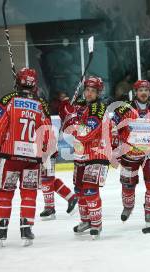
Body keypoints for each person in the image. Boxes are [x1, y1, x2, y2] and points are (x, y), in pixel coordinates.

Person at [0, 68, 52, 246]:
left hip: (10, 156)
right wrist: (43, 151)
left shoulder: (10, 101)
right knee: (29, 193)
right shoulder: (40, 105)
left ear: (18, 82)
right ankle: (26, 229)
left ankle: (1, 231)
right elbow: (47, 132)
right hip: (32, 159)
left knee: (4, 192)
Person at [111, 80, 150, 227]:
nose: (143, 93)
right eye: (140, 90)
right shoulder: (124, 109)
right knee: (127, 185)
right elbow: (113, 127)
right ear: (135, 92)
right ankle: (128, 206)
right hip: (129, 155)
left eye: (146, 90)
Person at [59, 76, 110, 239]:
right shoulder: (81, 105)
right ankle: (86, 220)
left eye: (93, 91)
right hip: (81, 154)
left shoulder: (98, 108)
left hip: (97, 153)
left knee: (89, 189)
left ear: (98, 93)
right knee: (79, 190)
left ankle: (96, 224)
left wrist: (71, 119)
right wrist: (64, 110)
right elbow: (67, 125)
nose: (89, 93)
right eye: (87, 90)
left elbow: (85, 133)